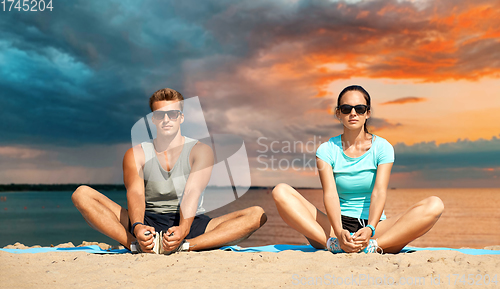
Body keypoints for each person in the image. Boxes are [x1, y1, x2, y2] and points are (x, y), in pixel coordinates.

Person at [72, 88, 267, 253]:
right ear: (153, 120)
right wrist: (137, 226)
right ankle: (133, 245)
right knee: (82, 194)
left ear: (181, 117)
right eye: (159, 115)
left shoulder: (200, 150)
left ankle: (186, 246)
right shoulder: (136, 153)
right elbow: (136, 192)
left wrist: (183, 229)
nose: (166, 119)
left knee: (256, 215)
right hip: (147, 220)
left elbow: (192, 191)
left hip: (190, 221)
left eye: (172, 114)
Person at [272, 85, 444, 253]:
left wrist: (370, 229)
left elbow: (379, 192)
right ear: (338, 114)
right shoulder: (326, 149)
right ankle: (331, 244)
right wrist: (339, 233)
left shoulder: (382, 147)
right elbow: (330, 194)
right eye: (346, 109)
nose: (353, 113)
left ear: (367, 113)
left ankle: (373, 246)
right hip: (334, 228)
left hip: (374, 229)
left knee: (435, 205)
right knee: (280, 191)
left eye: (359, 108)